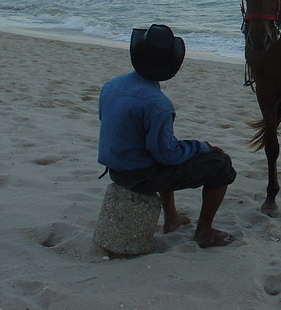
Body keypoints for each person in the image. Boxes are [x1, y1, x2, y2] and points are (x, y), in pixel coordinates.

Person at [98, 24, 237, 248]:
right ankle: (204, 231)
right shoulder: (158, 104)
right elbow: (167, 156)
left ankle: (171, 218)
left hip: (116, 168)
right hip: (138, 175)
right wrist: (203, 147)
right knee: (221, 165)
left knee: (163, 146)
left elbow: (106, 121)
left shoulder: (111, 86)